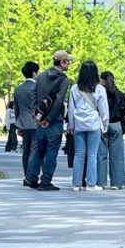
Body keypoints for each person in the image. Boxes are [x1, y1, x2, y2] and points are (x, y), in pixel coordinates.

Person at [26, 50, 72, 191]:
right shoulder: (64, 80)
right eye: (68, 61)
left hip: (40, 121)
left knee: (40, 150)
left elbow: (34, 95)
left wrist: (36, 115)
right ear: (62, 62)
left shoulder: (41, 76)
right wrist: (50, 119)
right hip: (54, 121)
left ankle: (32, 178)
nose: (69, 64)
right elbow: (59, 101)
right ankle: (45, 181)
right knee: (52, 151)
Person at [67, 60, 109, 192]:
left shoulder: (74, 88)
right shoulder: (100, 89)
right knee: (92, 155)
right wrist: (105, 124)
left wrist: (71, 125)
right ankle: (91, 183)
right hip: (93, 124)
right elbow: (104, 109)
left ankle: (76, 184)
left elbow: (71, 109)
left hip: (79, 124)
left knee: (79, 154)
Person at [97, 71, 125, 189]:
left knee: (101, 154)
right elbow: (124, 112)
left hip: (102, 125)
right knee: (117, 156)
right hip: (116, 125)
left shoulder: (100, 93)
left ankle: (100, 182)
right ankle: (117, 182)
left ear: (103, 80)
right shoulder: (120, 94)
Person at [13, 61, 40, 184]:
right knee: (34, 150)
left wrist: (18, 125)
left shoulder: (18, 90)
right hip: (35, 123)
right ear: (34, 73)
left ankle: (26, 175)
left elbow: (17, 109)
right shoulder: (37, 88)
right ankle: (31, 176)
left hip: (23, 123)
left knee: (26, 150)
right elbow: (40, 107)